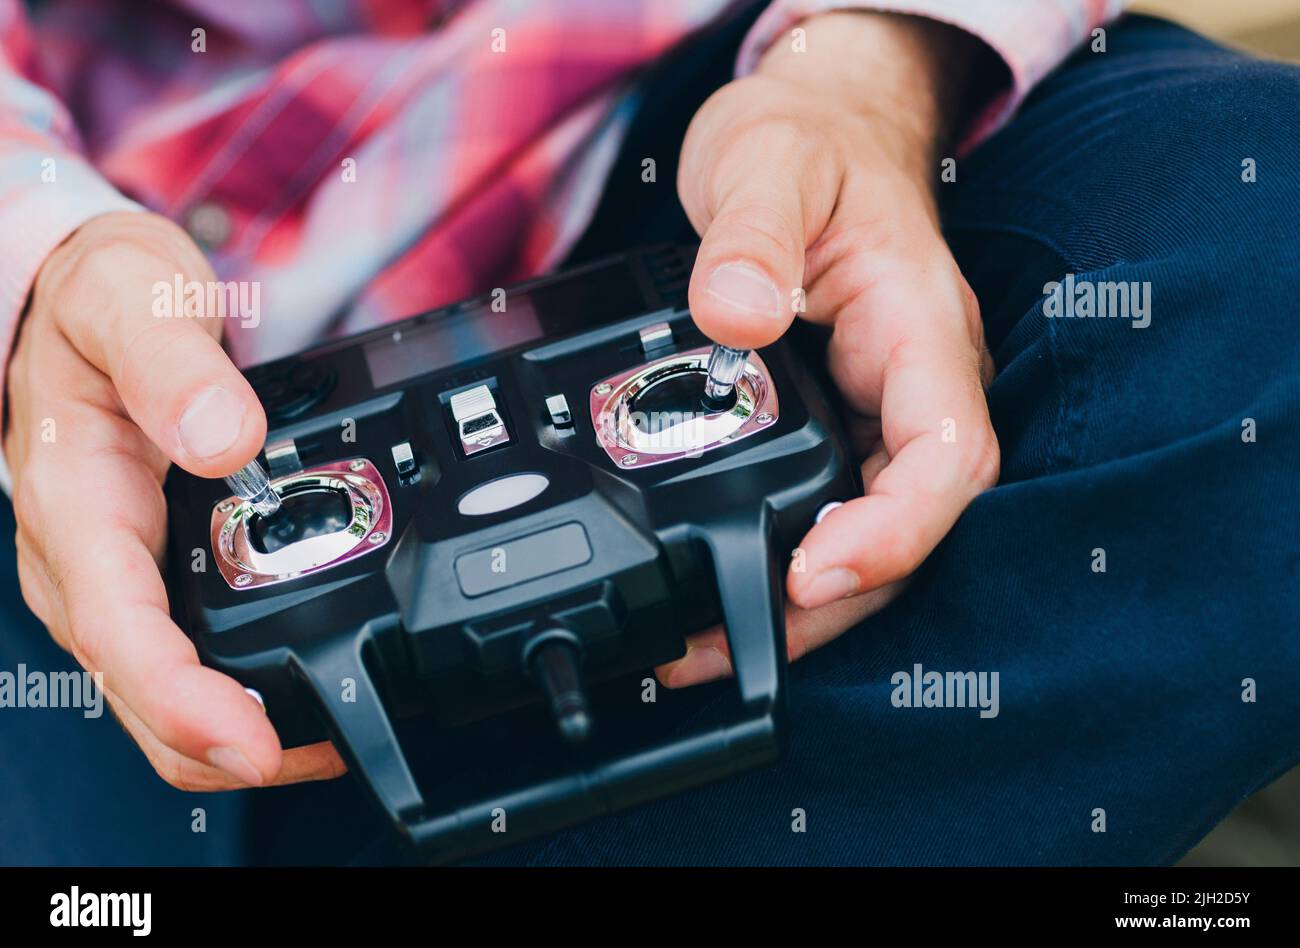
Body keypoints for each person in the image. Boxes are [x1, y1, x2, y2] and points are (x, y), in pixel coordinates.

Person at [1, 0, 1296, 865]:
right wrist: (36, 270)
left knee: (1268, 260)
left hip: (731, 118)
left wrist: (866, 70)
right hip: (99, 334)